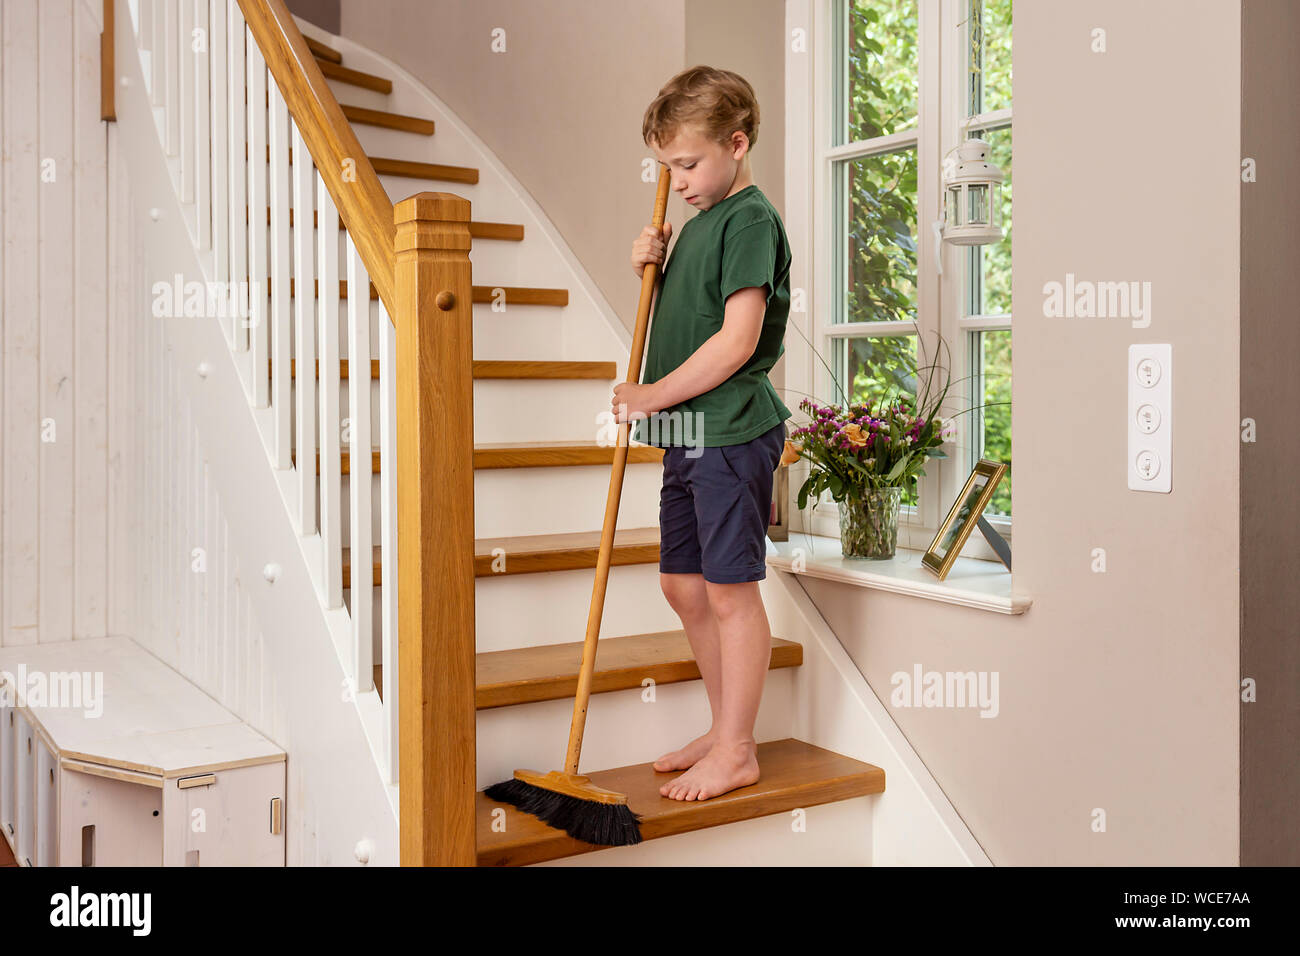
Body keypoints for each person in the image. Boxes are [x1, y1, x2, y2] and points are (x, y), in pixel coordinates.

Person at [612, 65, 793, 802]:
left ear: (737, 144)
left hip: (730, 431)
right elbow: (685, 315)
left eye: (688, 163)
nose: (678, 179)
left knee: (727, 591)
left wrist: (651, 393)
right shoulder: (696, 226)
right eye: (667, 167)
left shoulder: (749, 219)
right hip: (689, 433)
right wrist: (647, 268)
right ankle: (722, 733)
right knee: (682, 583)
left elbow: (736, 342)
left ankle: (739, 748)